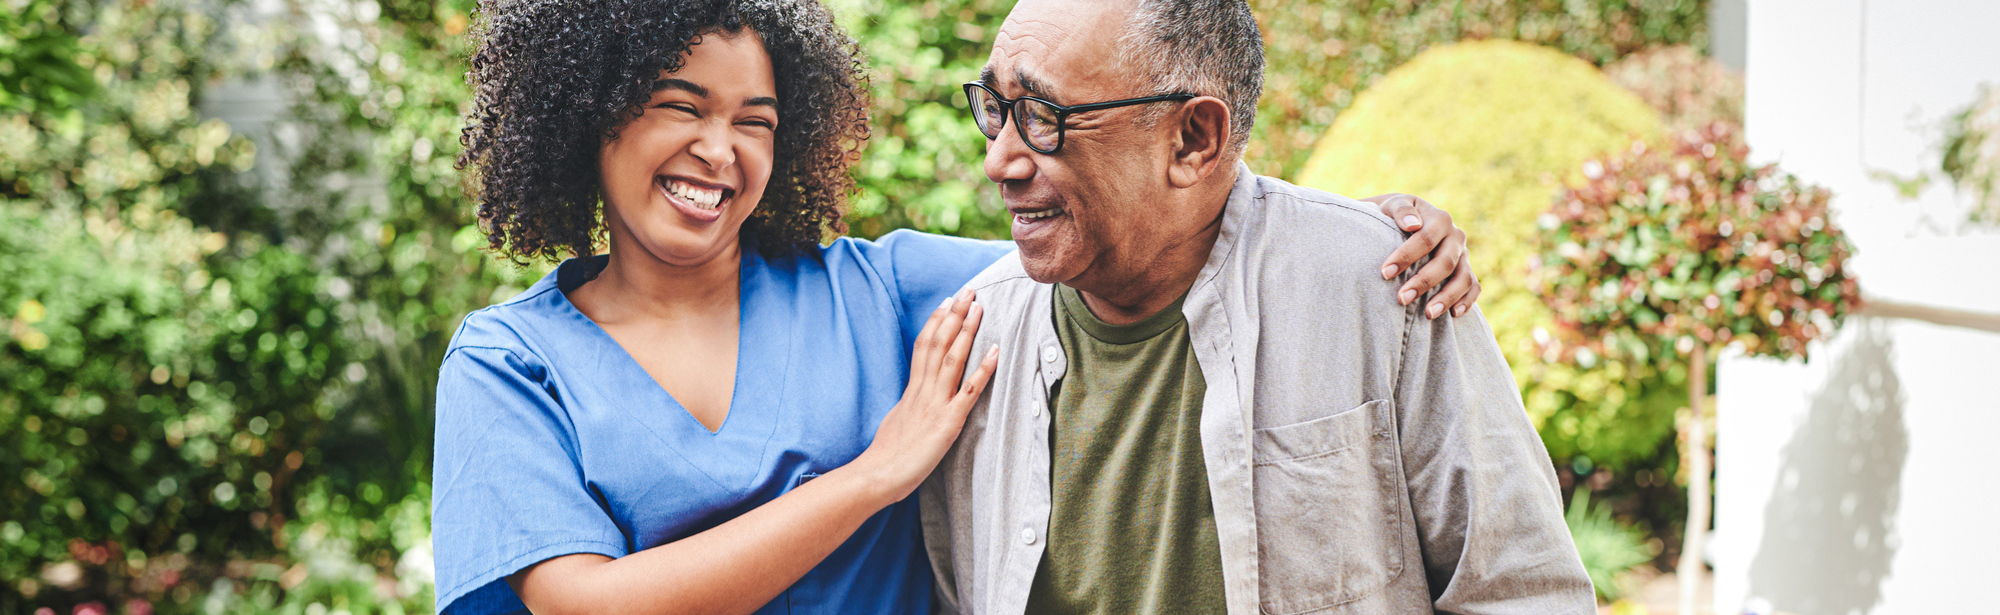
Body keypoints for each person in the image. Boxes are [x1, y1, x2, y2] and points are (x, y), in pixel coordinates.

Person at [430, 0, 1482, 613]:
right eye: (680, 108)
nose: (721, 151)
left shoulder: (880, 290)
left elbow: (1133, 227)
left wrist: (1371, 230)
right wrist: (874, 477)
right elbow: (584, 603)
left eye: (755, 119)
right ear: (585, 118)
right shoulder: (509, 361)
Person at [920, 0, 1596, 614]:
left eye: (1043, 116)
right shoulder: (975, 336)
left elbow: (1524, 590)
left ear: (1193, 139)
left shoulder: (1386, 285)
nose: (998, 160)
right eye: (995, 107)